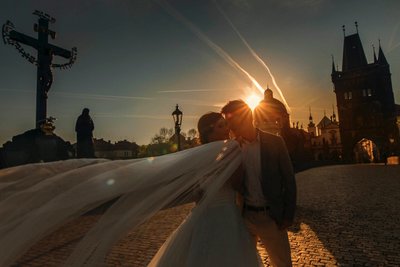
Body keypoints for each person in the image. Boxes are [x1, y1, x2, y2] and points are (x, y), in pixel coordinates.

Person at [148, 112, 261, 267]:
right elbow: (238, 184)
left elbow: (198, 190)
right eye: (220, 126)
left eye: (226, 124)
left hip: (202, 216)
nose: (227, 129)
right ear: (209, 132)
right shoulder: (231, 149)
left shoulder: (200, 156)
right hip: (226, 215)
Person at [221, 100, 297, 267]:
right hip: (245, 217)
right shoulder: (234, 149)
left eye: (231, 121)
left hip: (271, 217)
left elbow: (289, 180)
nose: (229, 127)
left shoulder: (275, 142)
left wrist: (288, 215)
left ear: (246, 117)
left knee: (282, 263)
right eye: (227, 122)